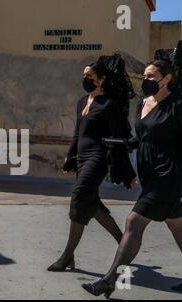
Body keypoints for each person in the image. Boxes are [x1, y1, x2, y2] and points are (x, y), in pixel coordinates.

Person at [82, 60, 182, 298]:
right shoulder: (144, 103)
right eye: (145, 76)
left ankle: (109, 279)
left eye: (150, 76)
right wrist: (127, 143)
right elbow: (145, 135)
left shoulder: (177, 105)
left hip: (168, 174)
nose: (145, 80)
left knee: (133, 222)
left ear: (166, 78)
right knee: (177, 225)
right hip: (149, 173)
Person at [47, 61, 136, 272]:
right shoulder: (81, 102)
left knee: (79, 196)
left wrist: (127, 171)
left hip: (98, 158)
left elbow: (118, 139)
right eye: (84, 75)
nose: (85, 79)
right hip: (82, 158)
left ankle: (68, 255)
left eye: (89, 76)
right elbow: (78, 134)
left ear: (101, 79)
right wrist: (70, 158)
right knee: (90, 202)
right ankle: (125, 242)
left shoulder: (109, 104)